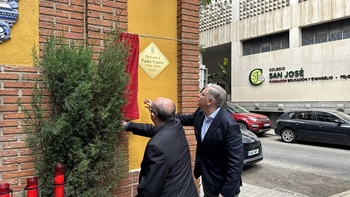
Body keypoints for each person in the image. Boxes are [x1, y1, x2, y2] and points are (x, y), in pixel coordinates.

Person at [176, 83, 244, 197]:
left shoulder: (229, 125)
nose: (198, 95)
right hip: (207, 178)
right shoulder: (200, 114)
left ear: (210, 101)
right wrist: (161, 111)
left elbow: (236, 163)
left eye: (202, 94)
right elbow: (183, 119)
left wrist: (225, 193)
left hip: (223, 185)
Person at [122, 97, 198, 197]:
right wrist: (128, 125)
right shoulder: (176, 124)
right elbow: (153, 129)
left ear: (153, 115)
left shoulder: (155, 147)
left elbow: (149, 190)